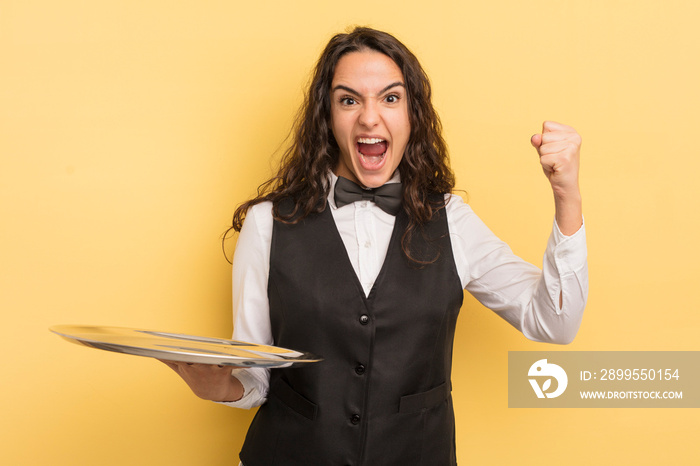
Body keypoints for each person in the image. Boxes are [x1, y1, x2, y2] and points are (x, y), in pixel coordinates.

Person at [162, 26, 587, 465]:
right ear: (326, 116)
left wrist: (566, 195)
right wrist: (222, 388)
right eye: (349, 100)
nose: (369, 118)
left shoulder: (453, 222)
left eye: (390, 98)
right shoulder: (267, 223)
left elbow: (555, 322)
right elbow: (255, 374)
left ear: (412, 114)